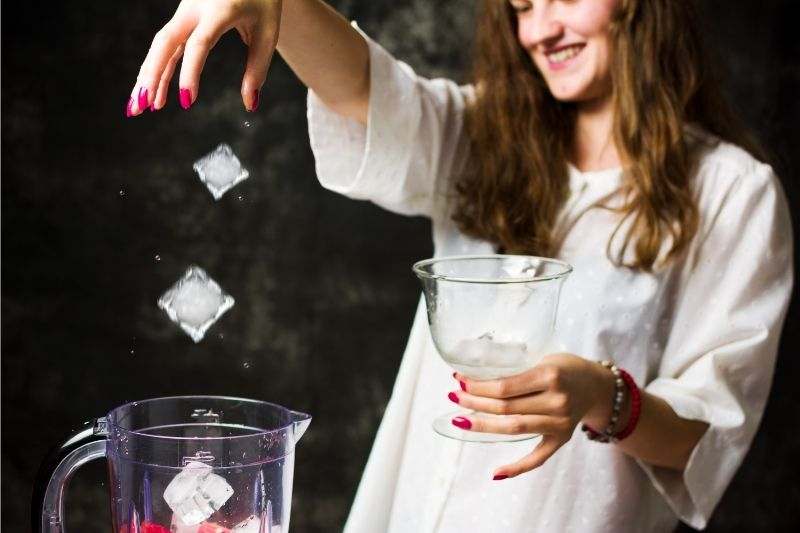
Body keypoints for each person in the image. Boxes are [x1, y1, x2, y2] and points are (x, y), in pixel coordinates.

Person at [127, 0, 794, 531]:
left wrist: (603, 396)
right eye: (522, 7)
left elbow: (706, 441)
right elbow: (367, 90)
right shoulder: (482, 136)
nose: (541, 29)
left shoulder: (734, 193)